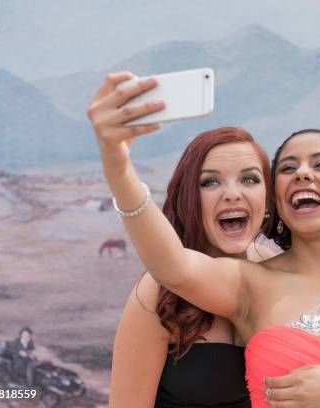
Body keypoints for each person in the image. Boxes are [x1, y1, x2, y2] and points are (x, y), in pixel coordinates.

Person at [91, 71, 320, 407]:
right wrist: (118, 165)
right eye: (288, 168)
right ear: (278, 197)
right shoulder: (249, 282)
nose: (303, 173)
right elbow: (170, 265)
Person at [88, 74, 275, 408]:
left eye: (249, 179)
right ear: (188, 198)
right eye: (210, 183)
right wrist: (117, 164)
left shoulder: (285, 272)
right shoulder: (157, 293)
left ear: (268, 199)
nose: (232, 194)